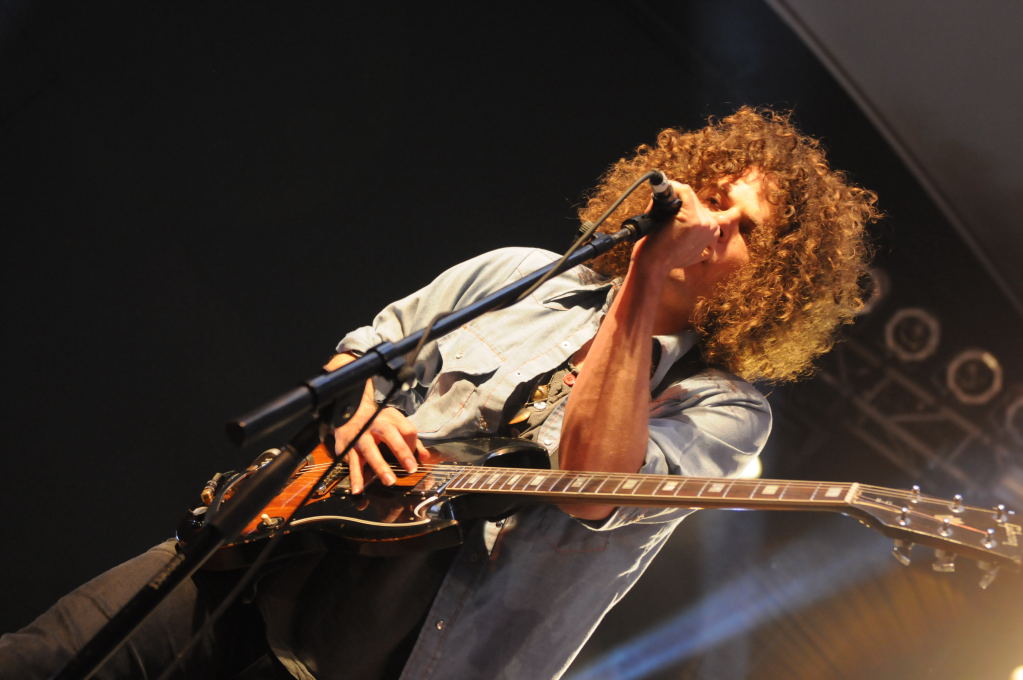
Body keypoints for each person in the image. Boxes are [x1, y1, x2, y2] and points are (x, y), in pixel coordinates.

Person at [0, 107, 878, 679]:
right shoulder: (522, 274)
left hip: (387, 655)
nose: (708, 223)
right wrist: (358, 414)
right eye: (711, 197)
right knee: (39, 660)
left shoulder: (725, 409)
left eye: (743, 229)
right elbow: (370, 349)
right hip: (268, 546)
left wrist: (644, 284)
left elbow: (591, 488)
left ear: (772, 281)